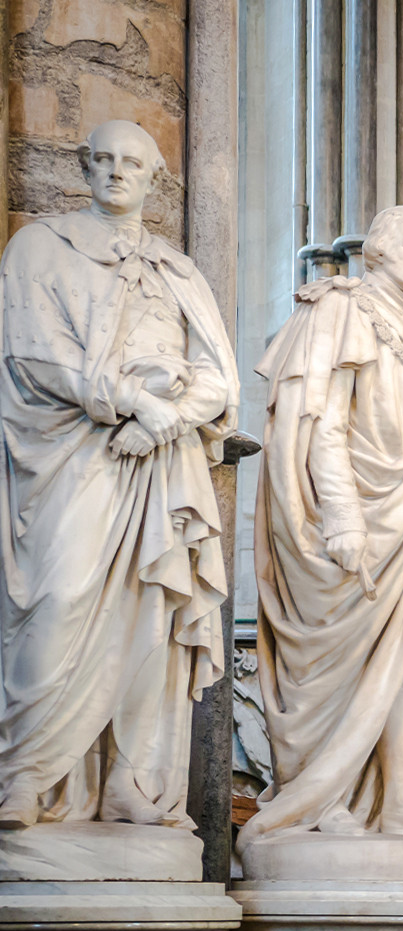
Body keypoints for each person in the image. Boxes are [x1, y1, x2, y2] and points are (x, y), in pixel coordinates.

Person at [0, 120, 238, 828]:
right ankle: (25, 774)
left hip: (162, 458)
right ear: (84, 168)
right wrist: (131, 400)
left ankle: (132, 780)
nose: (116, 172)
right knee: (60, 597)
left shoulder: (179, 271)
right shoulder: (40, 247)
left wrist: (166, 418)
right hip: (75, 452)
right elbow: (30, 353)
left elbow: (218, 379)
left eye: (132, 162)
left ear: (155, 177)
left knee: (154, 613)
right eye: (102, 159)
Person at [241, 206, 403, 847]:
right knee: (333, 663)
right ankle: (321, 799)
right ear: (378, 250)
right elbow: (321, 422)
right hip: (355, 517)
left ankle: (397, 799)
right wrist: (341, 517)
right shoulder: (341, 309)